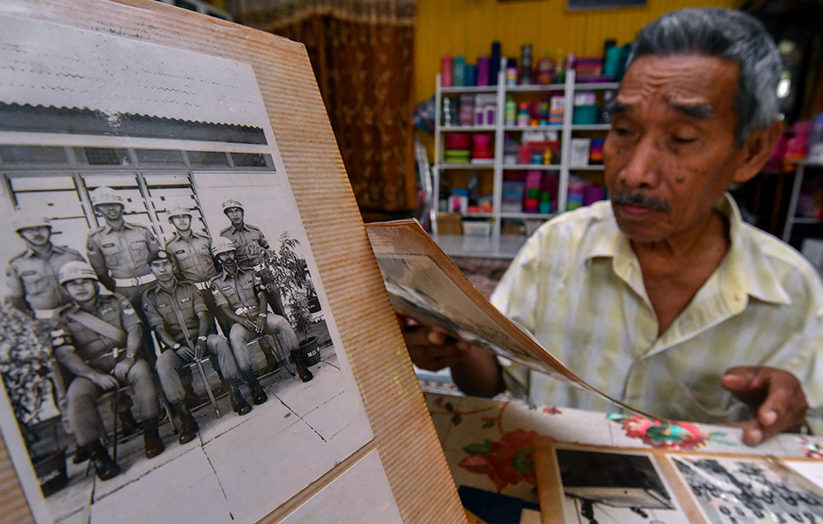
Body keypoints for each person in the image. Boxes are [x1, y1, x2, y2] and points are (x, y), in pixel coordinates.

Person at [402, 8, 822, 447]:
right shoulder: (557, 246)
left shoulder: (792, 294)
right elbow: (490, 382)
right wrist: (458, 347)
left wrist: (790, 424)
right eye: (623, 130)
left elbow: (805, 445)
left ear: (753, 150)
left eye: (681, 139)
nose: (633, 173)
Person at [51, 262, 164, 480]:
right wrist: (94, 376)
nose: (80, 287)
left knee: (142, 373)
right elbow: (65, 354)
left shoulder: (117, 301)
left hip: (124, 359)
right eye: (73, 284)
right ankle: (98, 454)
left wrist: (129, 357)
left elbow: (134, 328)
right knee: (77, 395)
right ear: (66, 290)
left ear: (94, 283)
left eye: (85, 281)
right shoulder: (62, 318)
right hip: (91, 370)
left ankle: (151, 431)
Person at [143, 249, 253, 427]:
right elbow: (159, 329)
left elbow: (202, 315)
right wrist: (176, 347)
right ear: (150, 270)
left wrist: (202, 338)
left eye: (165, 264)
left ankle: (235, 393)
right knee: (162, 364)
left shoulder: (189, 287)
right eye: (156, 266)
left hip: (200, 338)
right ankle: (185, 416)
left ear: (172, 266)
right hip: (177, 347)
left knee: (220, 342)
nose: (162, 269)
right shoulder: (149, 297)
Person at [210, 239, 313, 391]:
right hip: (241, 323)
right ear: (217, 258)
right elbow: (224, 308)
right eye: (222, 254)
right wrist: (242, 321)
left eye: (229, 252)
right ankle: (253, 384)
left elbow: (261, 295)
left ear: (234, 253)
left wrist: (263, 315)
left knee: (282, 323)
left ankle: (300, 364)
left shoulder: (250, 272)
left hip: (260, 315)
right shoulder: (216, 283)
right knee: (235, 338)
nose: (227, 257)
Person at [86, 186, 161, 364]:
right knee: (140, 335)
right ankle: (154, 375)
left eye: (114, 204)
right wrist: (120, 288)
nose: (110, 209)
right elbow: (100, 272)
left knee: (164, 327)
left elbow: (155, 255)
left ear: (122, 207)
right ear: (98, 210)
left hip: (152, 286)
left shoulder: (141, 230)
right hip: (126, 292)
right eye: (104, 206)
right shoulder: (96, 238)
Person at [5, 214, 85, 319]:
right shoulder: (17, 264)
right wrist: (32, 317)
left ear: (49, 230)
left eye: (41, 228)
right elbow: (16, 298)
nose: (37, 233)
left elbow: (90, 284)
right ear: (21, 235)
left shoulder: (71, 256)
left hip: (78, 312)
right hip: (45, 317)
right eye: (29, 230)